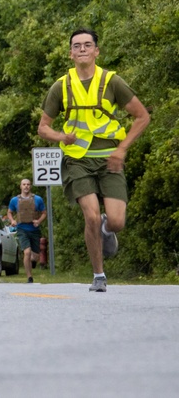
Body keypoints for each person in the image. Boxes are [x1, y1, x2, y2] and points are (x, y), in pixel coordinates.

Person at [37, 28, 150, 292]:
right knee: (90, 216)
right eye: (77, 46)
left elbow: (142, 117)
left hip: (109, 159)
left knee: (117, 221)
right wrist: (61, 136)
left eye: (88, 45)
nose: (83, 49)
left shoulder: (112, 81)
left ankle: (107, 227)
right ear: (70, 53)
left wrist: (121, 150)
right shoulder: (61, 86)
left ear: (97, 51)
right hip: (78, 160)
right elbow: (43, 128)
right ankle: (98, 274)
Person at [8, 178, 46, 283]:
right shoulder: (15, 200)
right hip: (22, 229)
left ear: (30, 186)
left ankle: (32, 262)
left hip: (34, 230)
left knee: (36, 256)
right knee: (27, 252)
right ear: (20, 186)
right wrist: (12, 221)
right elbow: (9, 212)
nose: (26, 186)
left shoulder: (38, 199)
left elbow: (44, 213)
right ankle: (29, 277)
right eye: (24, 184)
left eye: (28, 184)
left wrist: (38, 221)